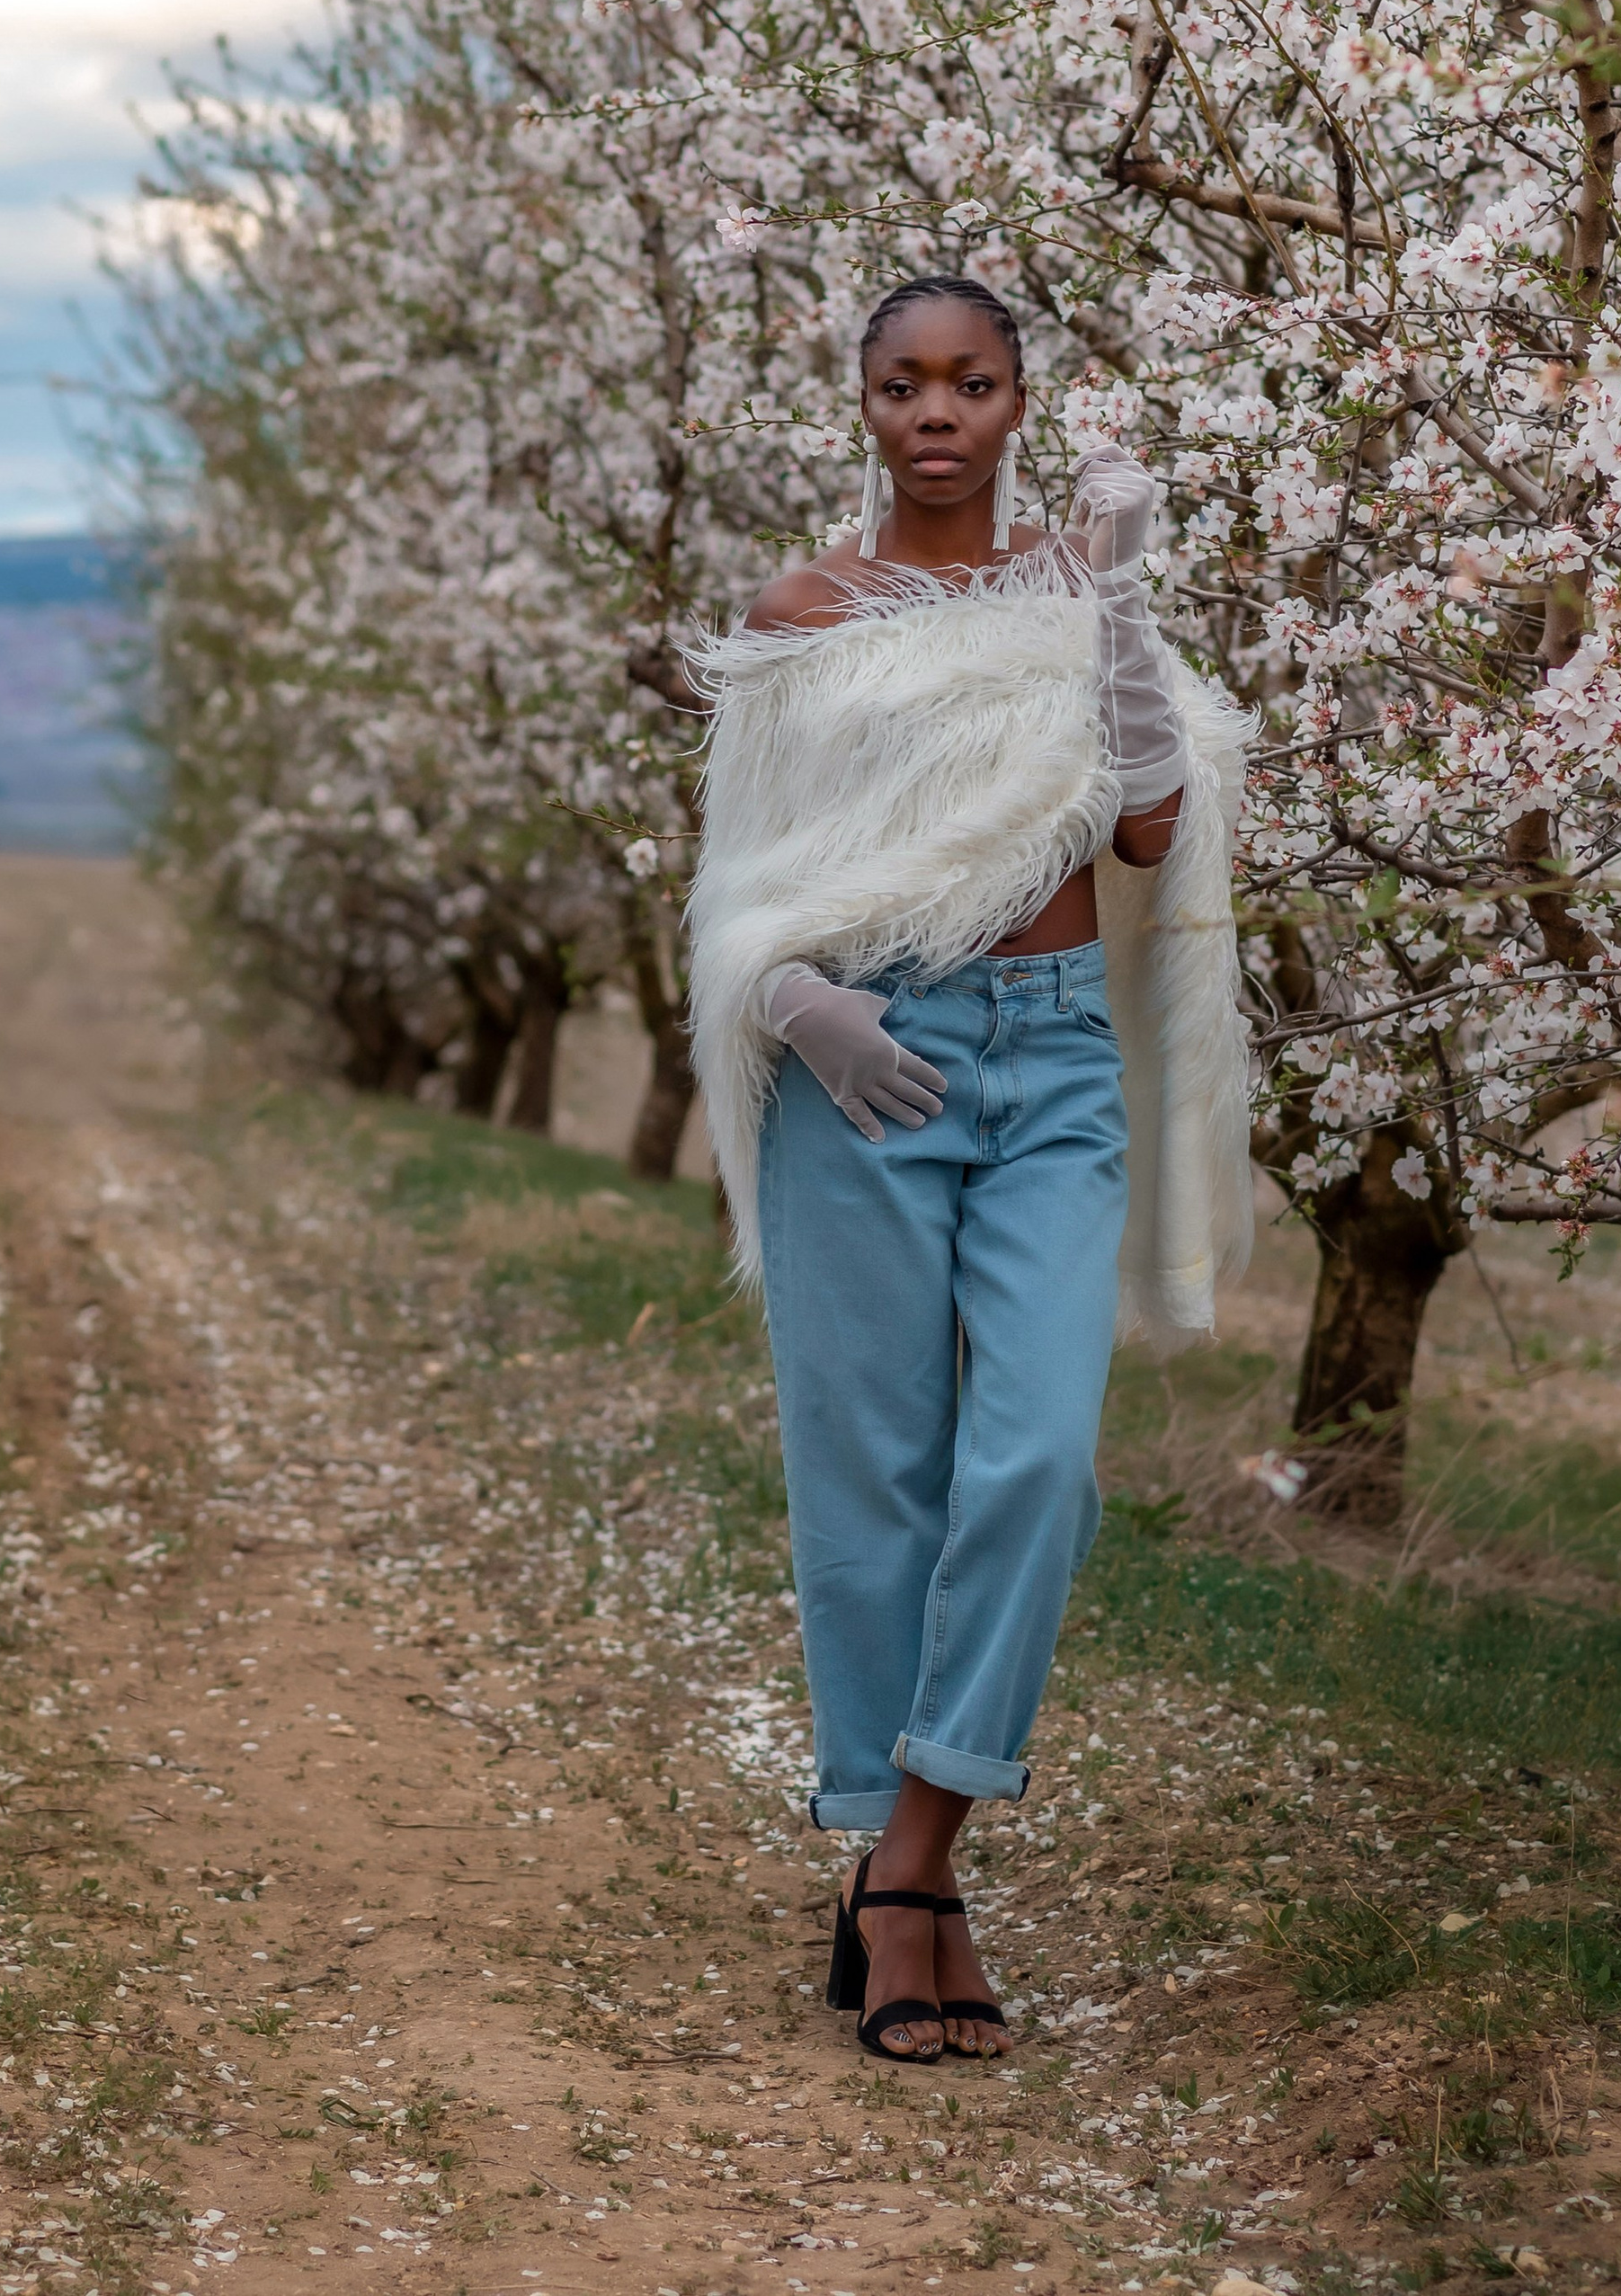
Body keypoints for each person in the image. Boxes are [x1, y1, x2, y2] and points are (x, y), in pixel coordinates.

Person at [681, 275, 1251, 2065]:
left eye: (973, 382)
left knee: (1036, 1458)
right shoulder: (804, 614)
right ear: (862, 404)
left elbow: (1150, 822)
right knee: (872, 1475)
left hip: (1053, 1062)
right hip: (863, 1064)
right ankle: (907, 1886)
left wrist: (1121, 600)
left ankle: (907, 1864)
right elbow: (740, 886)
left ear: (1017, 402)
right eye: (904, 385)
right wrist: (802, 1008)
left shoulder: (1082, 595)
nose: (937, 413)